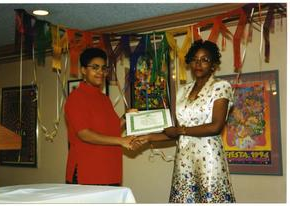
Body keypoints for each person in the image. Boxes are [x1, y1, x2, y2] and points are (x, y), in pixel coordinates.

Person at [136, 39, 236, 203]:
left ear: (213, 65)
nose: (199, 63)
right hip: (184, 159)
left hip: (209, 158)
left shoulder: (221, 86)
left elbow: (215, 126)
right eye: (195, 59)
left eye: (205, 60)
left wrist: (180, 131)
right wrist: (148, 137)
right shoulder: (183, 90)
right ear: (189, 63)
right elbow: (175, 131)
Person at [64, 47, 140, 185]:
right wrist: (121, 141)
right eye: (95, 67)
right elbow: (84, 134)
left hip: (110, 171)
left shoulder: (104, 99)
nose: (100, 72)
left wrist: (126, 116)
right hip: (87, 173)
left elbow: (112, 128)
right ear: (83, 70)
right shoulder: (76, 98)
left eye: (103, 68)